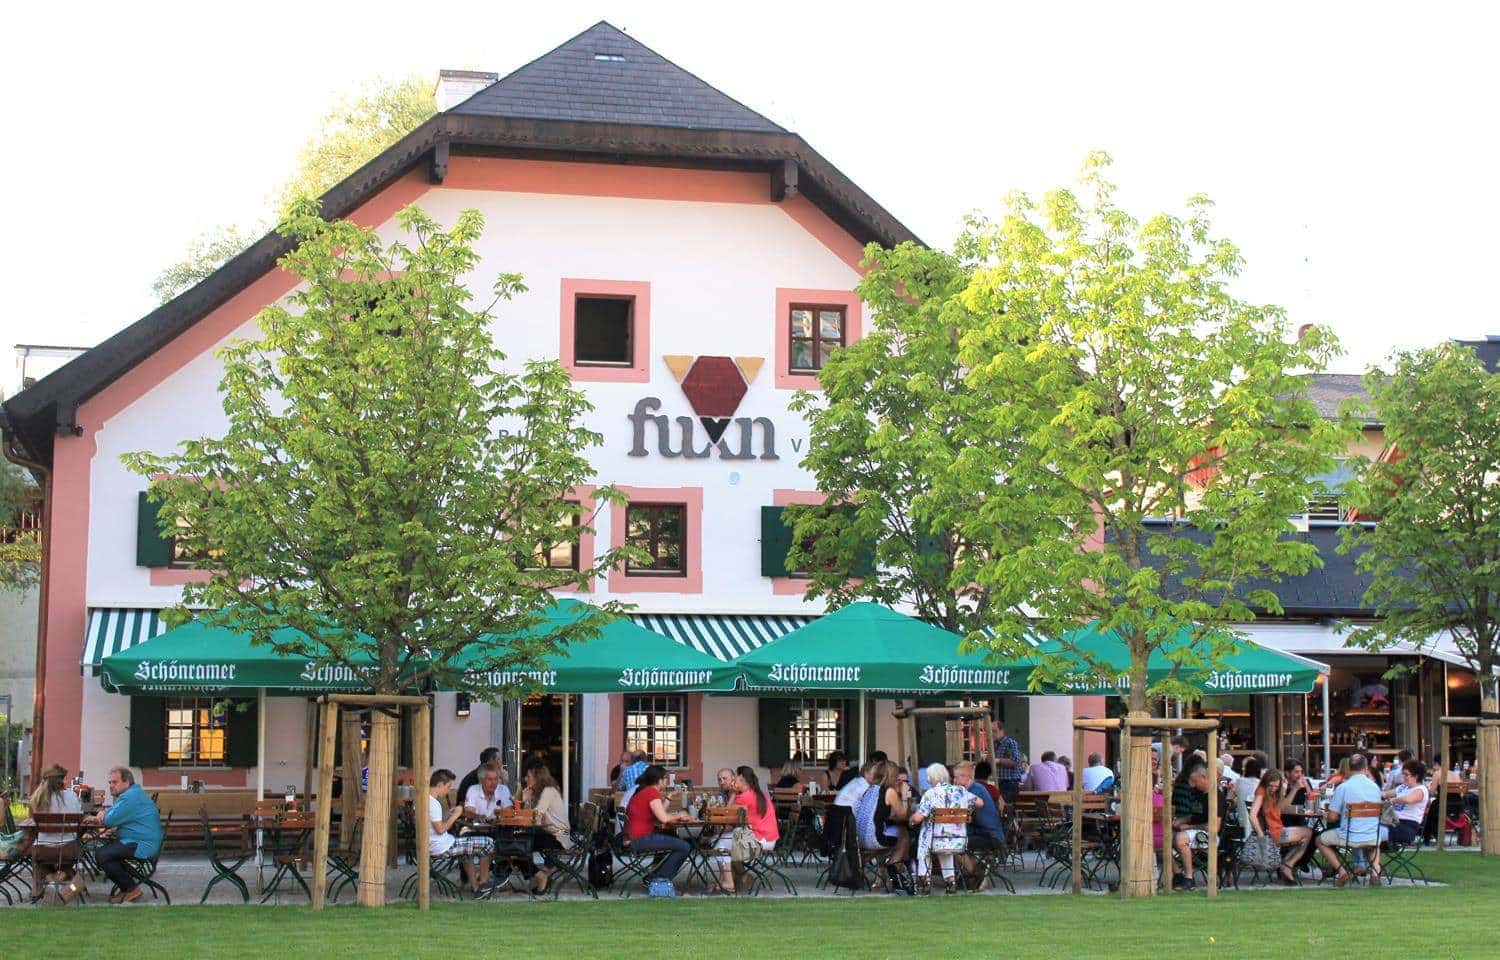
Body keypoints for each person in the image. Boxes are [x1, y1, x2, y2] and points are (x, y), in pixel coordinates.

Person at [84, 766, 163, 905]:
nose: (111, 786)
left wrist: (102, 815)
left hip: (142, 844)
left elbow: (109, 820)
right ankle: (128, 888)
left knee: (103, 855)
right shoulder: (132, 794)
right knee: (107, 852)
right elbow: (118, 816)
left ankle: (130, 889)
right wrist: (111, 824)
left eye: (115, 782)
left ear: (127, 782)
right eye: (109, 783)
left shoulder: (129, 797)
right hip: (140, 840)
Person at [909, 762, 979, 894]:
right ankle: (950, 881)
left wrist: (911, 819)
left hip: (934, 841)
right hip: (957, 841)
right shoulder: (960, 790)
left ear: (931, 778)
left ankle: (926, 882)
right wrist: (964, 809)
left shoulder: (930, 793)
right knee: (944, 849)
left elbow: (919, 817)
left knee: (925, 848)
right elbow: (980, 802)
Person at [1315, 753, 1385, 885]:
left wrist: (1327, 814)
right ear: (1365, 768)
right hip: (1372, 835)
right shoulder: (1375, 787)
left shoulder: (1343, 787)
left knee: (1319, 840)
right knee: (1372, 844)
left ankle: (1341, 871)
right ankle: (1375, 871)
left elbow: (1332, 817)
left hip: (1349, 836)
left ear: (1349, 768)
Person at [623, 765, 693, 891]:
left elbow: (659, 813)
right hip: (639, 840)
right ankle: (656, 879)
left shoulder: (644, 791)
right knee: (684, 846)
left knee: (674, 839)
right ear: (659, 780)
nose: (667, 781)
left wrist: (669, 796)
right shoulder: (652, 792)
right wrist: (680, 814)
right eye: (665, 778)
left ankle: (654, 877)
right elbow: (663, 818)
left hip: (631, 839)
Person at [428, 768, 494, 896]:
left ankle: (476, 888)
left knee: (466, 851)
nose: (449, 790)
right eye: (448, 787)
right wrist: (456, 815)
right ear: (440, 784)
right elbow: (440, 829)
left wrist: (448, 815)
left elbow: (436, 825)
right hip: (441, 847)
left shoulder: (426, 801)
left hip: (438, 844)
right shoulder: (433, 804)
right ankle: (483, 883)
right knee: (489, 842)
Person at [713, 766, 779, 893]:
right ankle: (727, 879)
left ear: (742, 779)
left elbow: (726, 815)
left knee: (720, 844)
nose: (733, 782)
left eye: (735, 778)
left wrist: (733, 793)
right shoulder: (757, 793)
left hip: (759, 840)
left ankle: (728, 882)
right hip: (767, 838)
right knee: (724, 840)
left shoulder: (744, 797)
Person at [26, 763, 84, 900]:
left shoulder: (37, 799)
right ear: (62, 780)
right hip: (69, 849)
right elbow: (79, 820)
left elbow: (33, 826)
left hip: (43, 849)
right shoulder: (72, 796)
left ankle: (43, 885)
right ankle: (60, 878)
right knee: (70, 858)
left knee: (36, 857)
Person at [1249, 768, 1310, 886]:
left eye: (1276, 786)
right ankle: (1287, 865)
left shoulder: (1272, 793)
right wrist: (1261, 835)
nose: (1273, 788)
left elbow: (1282, 807)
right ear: (1266, 783)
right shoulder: (1261, 792)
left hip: (1275, 830)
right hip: (1274, 833)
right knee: (1308, 834)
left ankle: (1286, 864)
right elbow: (1252, 815)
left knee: (1305, 837)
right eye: (1271, 786)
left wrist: (1290, 790)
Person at [520, 762, 571, 894]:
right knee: (516, 844)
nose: (526, 779)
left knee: (517, 846)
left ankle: (539, 877)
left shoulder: (549, 791)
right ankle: (535, 876)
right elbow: (532, 818)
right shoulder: (542, 791)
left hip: (557, 838)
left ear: (538, 777)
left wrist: (525, 800)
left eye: (528, 776)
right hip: (549, 834)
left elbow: (536, 816)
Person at [956, 760, 1005, 872]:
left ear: (967, 776)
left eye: (957, 777)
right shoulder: (974, 788)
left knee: (954, 845)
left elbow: (965, 816)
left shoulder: (975, 791)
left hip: (990, 836)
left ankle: (976, 875)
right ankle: (976, 870)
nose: (954, 781)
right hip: (986, 833)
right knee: (955, 841)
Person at [1169, 761, 1211, 891]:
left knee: (1180, 838)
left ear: (1204, 777)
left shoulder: (1215, 797)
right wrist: (1181, 821)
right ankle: (1177, 873)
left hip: (1206, 835)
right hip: (1193, 830)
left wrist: (1187, 827)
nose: (1193, 786)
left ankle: (1189, 877)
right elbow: (1193, 816)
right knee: (1161, 840)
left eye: (1195, 781)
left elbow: (1212, 827)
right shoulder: (1199, 795)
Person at [874, 764, 915, 893]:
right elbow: (903, 815)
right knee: (904, 836)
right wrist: (904, 796)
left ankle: (899, 874)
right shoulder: (889, 791)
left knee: (901, 831)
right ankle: (894, 866)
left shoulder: (874, 788)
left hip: (865, 834)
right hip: (877, 835)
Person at [1381, 759, 1429, 846]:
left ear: (1416, 776)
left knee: (1372, 832)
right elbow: (1385, 794)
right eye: (1403, 774)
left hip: (1407, 827)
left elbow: (1408, 800)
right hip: (1393, 822)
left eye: (1406, 774)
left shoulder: (1421, 790)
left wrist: (1394, 800)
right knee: (1370, 828)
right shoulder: (1403, 787)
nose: (1403, 777)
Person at [457, 747, 502, 811]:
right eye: (499, 759)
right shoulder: (478, 776)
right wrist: (503, 780)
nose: (501, 762)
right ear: (491, 760)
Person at [992, 722, 1024, 803]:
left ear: (1002, 730)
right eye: (990, 731)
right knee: (1000, 807)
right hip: (1000, 782)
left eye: (994, 731)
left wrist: (997, 760)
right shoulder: (995, 744)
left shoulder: (1010, 743)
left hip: (1010, 783)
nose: (992, 734)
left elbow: (1015, 761)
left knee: (1004, 808)